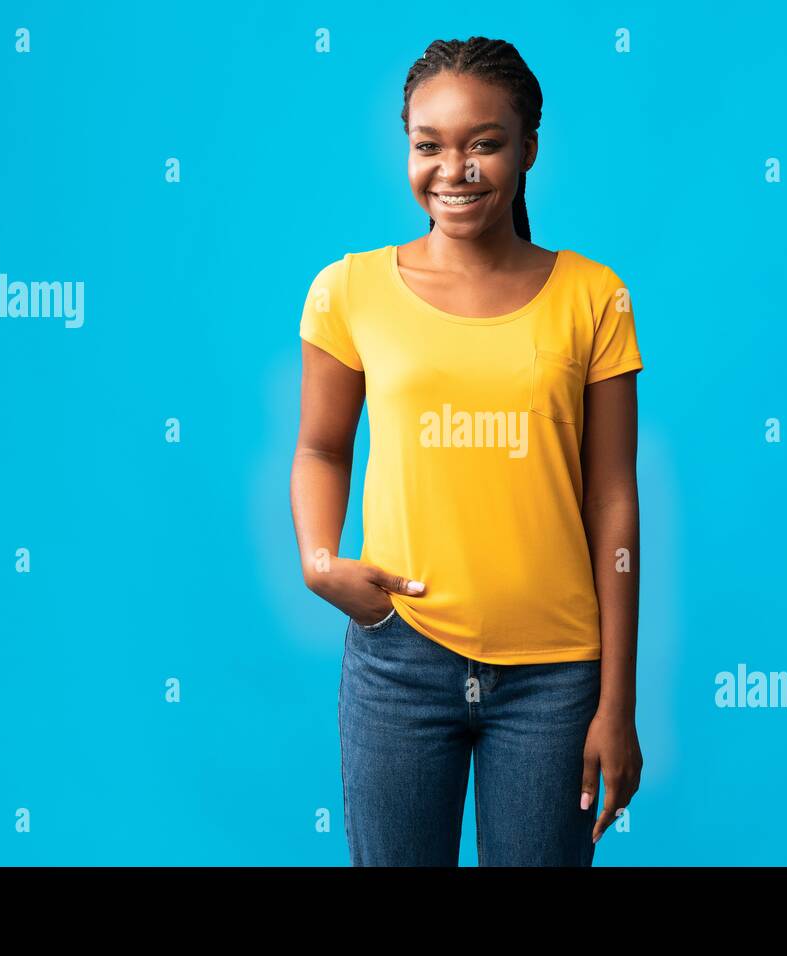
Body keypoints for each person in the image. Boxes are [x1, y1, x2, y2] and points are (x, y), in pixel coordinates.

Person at [290, 36, 643, 866]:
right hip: (398, 654)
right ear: (407, 147)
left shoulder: (595, 297)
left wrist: (616, 702)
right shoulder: (349, 291)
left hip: (557, 676)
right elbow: (320, 447)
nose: (455, 168)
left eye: (484, 143)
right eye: (430, 145)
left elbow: (614, 499)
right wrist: (318, 561)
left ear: (528, 149)